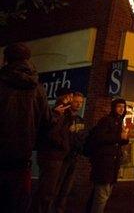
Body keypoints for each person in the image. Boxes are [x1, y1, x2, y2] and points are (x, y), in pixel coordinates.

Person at [0, 43, 60, 213]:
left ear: (6, 60)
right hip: (20, 162)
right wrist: (56, 114)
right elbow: (47, 123)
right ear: (28, 60)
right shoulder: (37, 90)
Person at [86, 98, 130, 213]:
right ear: (113, 107)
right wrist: (119, 138)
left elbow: (118, 141)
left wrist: (125, 139)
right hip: (104, 163)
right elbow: (100, 137)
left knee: (102, 193)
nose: (122, 109)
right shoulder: (106, 120)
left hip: (113, 164)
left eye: (123, 107)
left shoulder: (119, 122)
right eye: (119, 106)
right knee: (102, 195)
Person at [34, 87, 73, 213]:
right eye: (70, 96)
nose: (71, 99)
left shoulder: (65, 113)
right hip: (52, 156)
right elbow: (52, 133)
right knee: (47, 190)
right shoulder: (58, 111)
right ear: (64, 97)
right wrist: (63, 144)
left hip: (57, 155)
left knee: (51, 189)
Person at [54, 92, 87, 213]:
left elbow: (82, 137)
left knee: (66, 188)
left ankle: (60, 209)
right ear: (71, 102)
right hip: (63, 157)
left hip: (74, 157)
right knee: (56, 186)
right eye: (76, 102)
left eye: (81, 102)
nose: (79, 104)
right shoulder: (64, 118)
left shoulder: (80, 120)